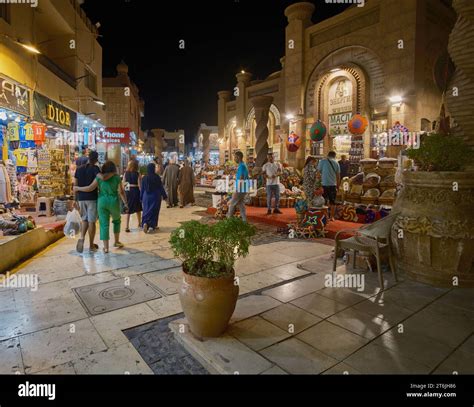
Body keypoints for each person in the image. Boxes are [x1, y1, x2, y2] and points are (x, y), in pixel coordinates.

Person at [74, 161, 128, 253]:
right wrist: (126, 203)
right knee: (116, 221)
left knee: (104, 224)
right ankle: (116, 241)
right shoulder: (116, 177)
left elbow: (90, 187)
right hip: (114, 202)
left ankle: (106, 247)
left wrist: (78, 188)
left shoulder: (99, 178)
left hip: (102, 202)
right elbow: (121, 192)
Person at [74, 150, 100, 253]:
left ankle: (81, 238)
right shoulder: (95, 168)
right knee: (91, 222)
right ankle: (91, 245)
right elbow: (98, 181)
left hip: (81, 199)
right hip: (92, 198)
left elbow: (74, 186)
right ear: (96, 159)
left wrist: (74, 199)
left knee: (84, 220)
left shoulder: (79, 169)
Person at [141, 163, 167, 233]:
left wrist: (141, 197)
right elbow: (161, 187)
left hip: (146, 196)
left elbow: (142, 189)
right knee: (154, 211)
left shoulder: (144, 178)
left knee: (146, 210)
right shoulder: (157, 177)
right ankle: (153, 225)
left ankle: (145, 223)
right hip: (155, 196)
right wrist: (164, 196)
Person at [317, 151, 340, 221]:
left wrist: (318, 183)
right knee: (332, 202)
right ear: (334, 156)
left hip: (323, 184)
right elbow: (338, 176)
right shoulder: (336, 163)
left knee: (323, 201)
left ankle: (324, 216)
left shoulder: (322, 161)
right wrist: (338, 186)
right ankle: (332, 217)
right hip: (333, 185)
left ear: (328, 155)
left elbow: (318, 173)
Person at [227, 151, 249, 222]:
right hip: (243, 188)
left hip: (240, 188)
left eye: (235, 157)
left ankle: (228, 221)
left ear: (238, 157)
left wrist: (237, 189)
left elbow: (242, 178)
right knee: (241, 205)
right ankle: (244, 221)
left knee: (232, 204)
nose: (234, 159)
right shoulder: (242, 165)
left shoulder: (242, 166)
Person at [123, 160, 142, 232]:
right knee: (138, 208)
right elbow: (139, 185)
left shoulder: (126, 173)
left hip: (128, 191)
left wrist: (126, 191)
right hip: (136, 191)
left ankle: (127, 226)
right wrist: (141, 193)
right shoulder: (138, 174)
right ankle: (139, 223)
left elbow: (124, 183)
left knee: (128, 209)